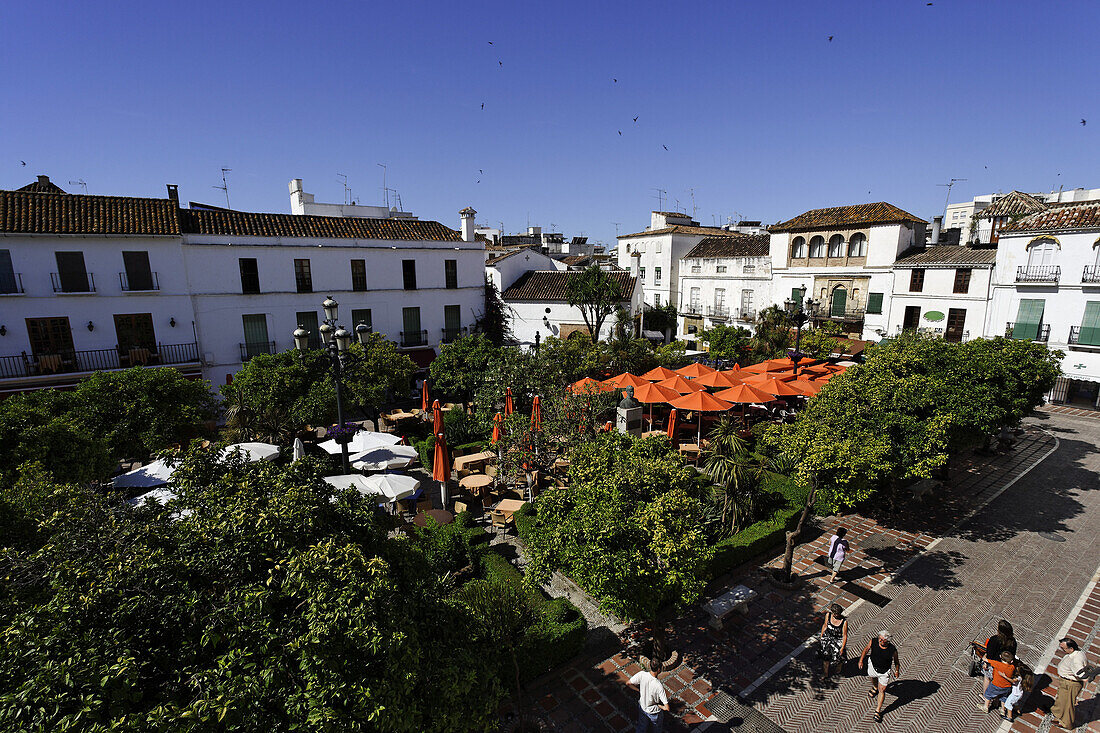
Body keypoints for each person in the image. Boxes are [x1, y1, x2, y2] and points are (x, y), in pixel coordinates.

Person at [859, 630, 901, 723]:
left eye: (882, 640)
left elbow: (896, 661)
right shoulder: (873, 641)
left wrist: (897, 670)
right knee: (873, 677)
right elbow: (866, 649)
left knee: (882, 690)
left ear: (887, 641)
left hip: (884, 672)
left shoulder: (892, 650)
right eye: (879, 639)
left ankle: (878, 711)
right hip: (873, 666)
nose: (880, 641)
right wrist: (861, 660)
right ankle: (874, 687)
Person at [1051, 637, 1088, 729]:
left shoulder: (1075, 660)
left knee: (1068, 705)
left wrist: (1084, 676)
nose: (1062, 650)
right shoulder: (1078, 653)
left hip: (1070, 684)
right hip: (1067, 682)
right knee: (1062, 699)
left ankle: (1066, 723)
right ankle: (1058, 714)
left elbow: (1082, 675)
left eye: (1063, 648)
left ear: (1071, 648)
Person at [627, 658, 670, 733]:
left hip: (643, 708)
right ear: (659, 670)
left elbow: (628, 683)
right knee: (657, 729)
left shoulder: (642, 674)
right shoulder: (658, 686)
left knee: (642, 727)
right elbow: (667, 708)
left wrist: (638, 690)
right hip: (654, 712)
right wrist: (659, 705)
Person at [982, 620, 1017, 693]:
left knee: (987, 677)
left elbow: (990, 654)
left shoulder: (994, 639)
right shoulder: (1012, 641)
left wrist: (985, 662)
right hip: (1006, 665)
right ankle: (997, 700)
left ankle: (985, 695)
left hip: (994, 664)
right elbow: (1013, 654)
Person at [819, 603, 848, 678]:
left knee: (839, 657)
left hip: (837, 641)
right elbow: (825, 625)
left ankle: (839, 667)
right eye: (834, 614)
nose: (835, 615)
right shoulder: (828, 615)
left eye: (837, 614)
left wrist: (842, 647)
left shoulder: (844, 622)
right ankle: (825, 673)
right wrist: (822, 636)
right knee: (826, 658)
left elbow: (844, 635)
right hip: (827, 639)